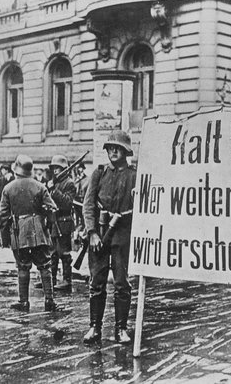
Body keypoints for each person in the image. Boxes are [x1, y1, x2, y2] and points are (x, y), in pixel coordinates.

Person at [82, 130, 136, 345]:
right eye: (110, 148)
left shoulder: (134, 175)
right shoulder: (99, 173)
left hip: (123, 236)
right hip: (100, 235)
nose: (113, 151)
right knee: (97, 283)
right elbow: (88, 205)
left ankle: (121, 328)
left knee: (122, 284)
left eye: (118, 148)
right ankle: (94, 327)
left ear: (125, 151)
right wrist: (92, 233)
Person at [0, 155, 61, 312]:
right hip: (39, 232)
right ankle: (49, 300)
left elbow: (3, 216)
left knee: (22, 266)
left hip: (19, 233)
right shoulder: (40, 186)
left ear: (16, 170)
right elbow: (52, 208)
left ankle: (24, 301)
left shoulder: (8, 188)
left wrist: (5, 238)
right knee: (45, 265)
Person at [47, 155, 76, 291]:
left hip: (64, 221)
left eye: (57, 168)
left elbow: (67, 203)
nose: (55, 171)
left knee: (64, 253)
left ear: (64, 168)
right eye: (53, 168)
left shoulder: (69, 183)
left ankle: (67, 280)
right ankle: (50, 279)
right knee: (52, 253)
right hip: (53, 221)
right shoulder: (54, 182)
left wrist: (54, 191)